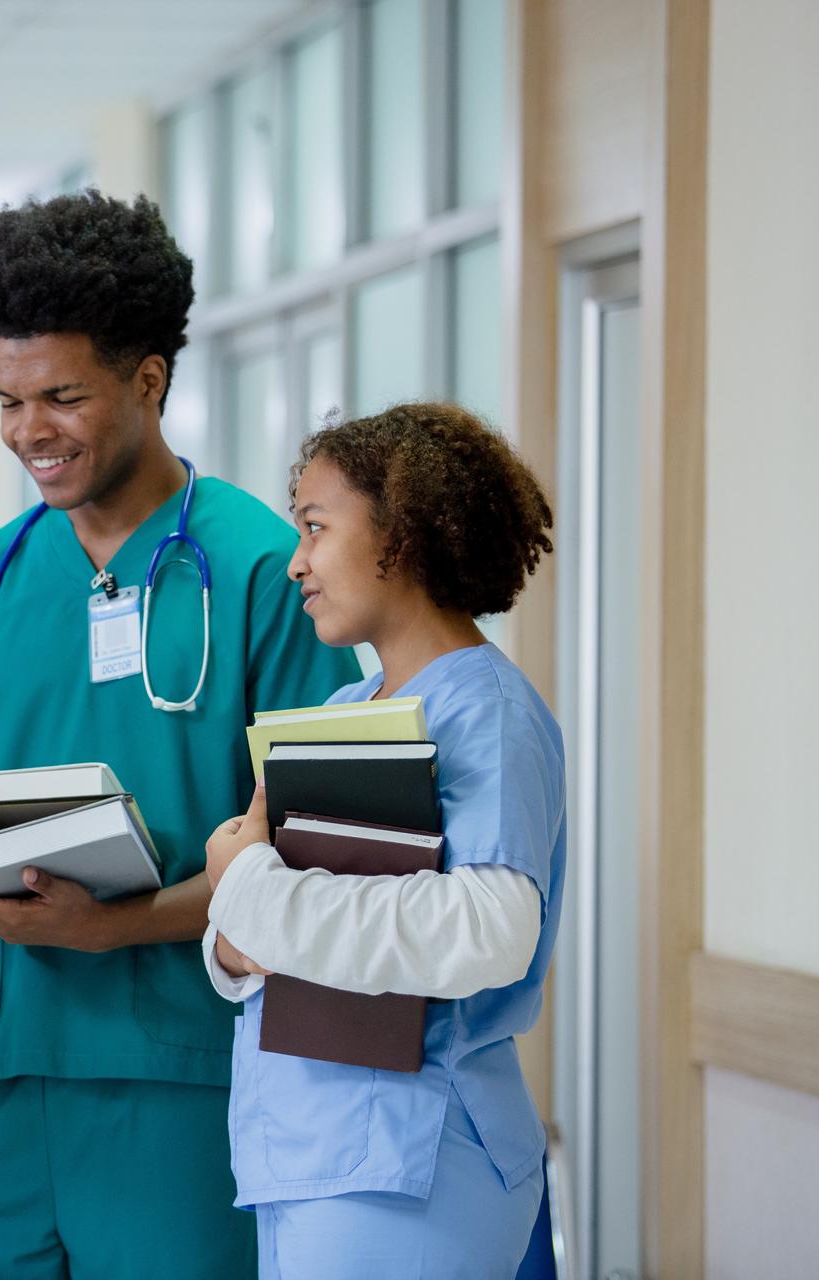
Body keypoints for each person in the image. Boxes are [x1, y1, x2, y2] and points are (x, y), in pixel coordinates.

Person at [0, 190, 362, 1278]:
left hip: (182, 1069)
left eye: (61, 396)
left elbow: (326, 856)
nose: (28, 433)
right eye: (8, 399)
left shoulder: (265, 568)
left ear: (148, 379)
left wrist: (113, 926)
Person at [203, 402, 564, 1279]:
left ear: (400, 536)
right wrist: (234, 943)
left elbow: (488, 929)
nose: (296, 563)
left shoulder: (489, 713)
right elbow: (264, 937)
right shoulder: (341, 714)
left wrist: (244, 882)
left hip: (416, 1162)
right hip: (303, 1149)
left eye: (316, 529)